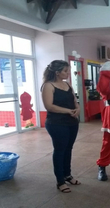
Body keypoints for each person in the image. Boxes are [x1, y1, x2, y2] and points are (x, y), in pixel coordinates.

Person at [41, 60, 81, 193]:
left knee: (68, 148)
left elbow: (75, 101)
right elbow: (49, 106)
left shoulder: (67, 84)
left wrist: (77, 109)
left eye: (68, 70)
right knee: (60, 150)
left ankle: (67, 175)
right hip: (56, 123)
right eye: (65, 71)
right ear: (57, 73)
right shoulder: (48, 86)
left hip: (72, 122)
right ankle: (60, 181)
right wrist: (68, 111)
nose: (68, 73)